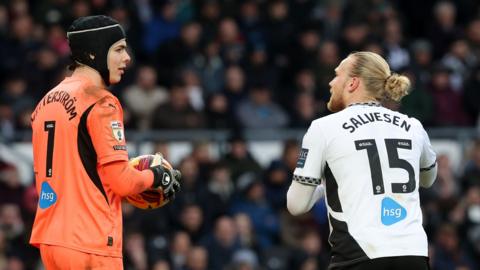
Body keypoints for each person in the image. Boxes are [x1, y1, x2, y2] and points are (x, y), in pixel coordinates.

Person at [29, 15, 181, 269]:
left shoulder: (46, 101)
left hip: (51, 240)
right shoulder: (101, 102)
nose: (127, 58)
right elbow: (121, 182)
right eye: (119, 49)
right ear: (94, 53)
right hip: (91, 242)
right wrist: (157, 177)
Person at [286, 51, 438, 269]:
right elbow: (428, 179)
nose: (331, 82)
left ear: (352, 83)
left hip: (359, 254)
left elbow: (296, 205)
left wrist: (323, 186)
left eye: (337, 75)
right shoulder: (413, 126)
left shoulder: (324, 128)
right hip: (413, 254)